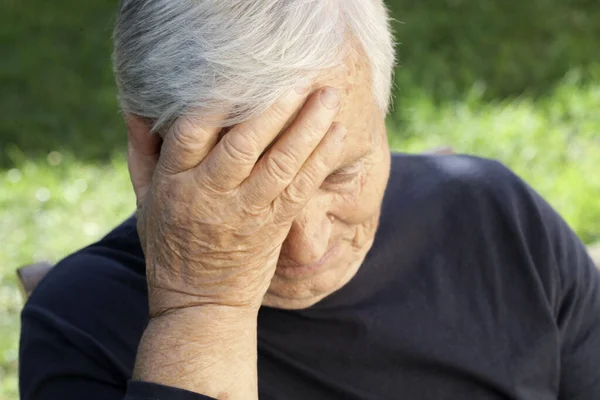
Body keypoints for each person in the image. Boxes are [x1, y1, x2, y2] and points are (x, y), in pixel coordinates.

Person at [19, 1, 600, 399]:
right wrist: (201, 311)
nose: (306, 245)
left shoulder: (494, 218)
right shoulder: (82, 321)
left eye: (339, 173)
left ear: (383, 115)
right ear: (149, 153)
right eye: (248, 198)